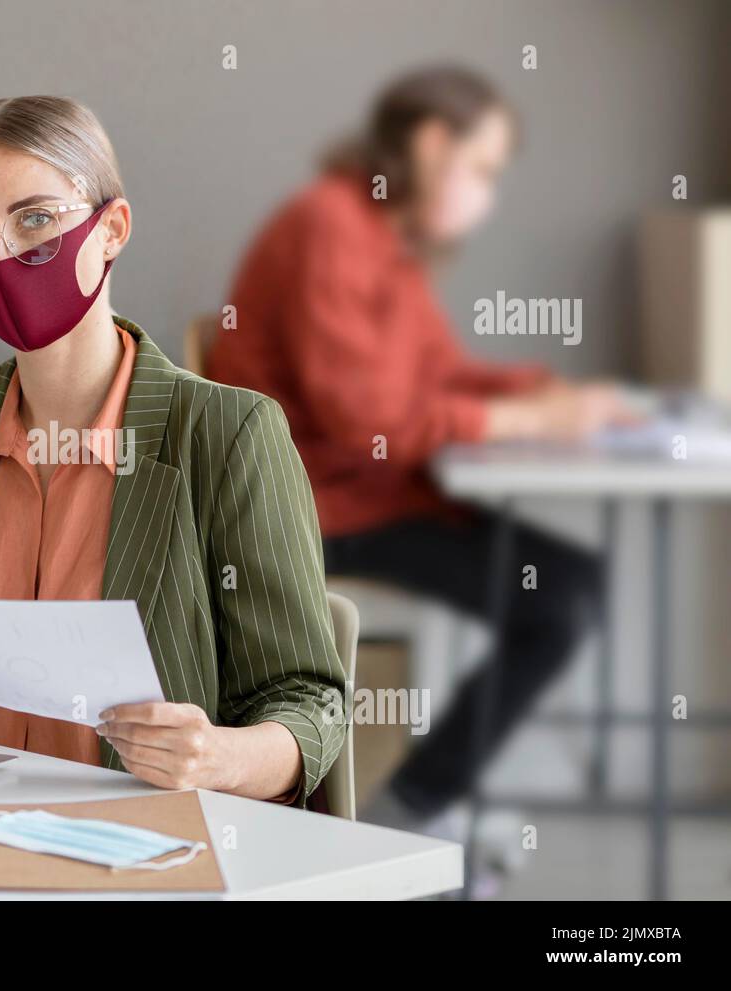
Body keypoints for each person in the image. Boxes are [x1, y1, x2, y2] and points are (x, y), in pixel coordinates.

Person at [0, 96, 346, 805]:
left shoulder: (226, 431)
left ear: (111, 228)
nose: (0, 257)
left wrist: (216, 754)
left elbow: (309, 701)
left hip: (138, 846)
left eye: (34, 219)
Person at [206, 66, 630, 829]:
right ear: (434, 144)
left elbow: (436, 373)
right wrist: (527, 422)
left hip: (378, 499)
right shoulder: (329, 227)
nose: (485, 195)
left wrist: (542, 393)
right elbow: (369, 420)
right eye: (483, 169)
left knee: (575, 584)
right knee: (561, 600)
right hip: (317, 517)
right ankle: (406, 817)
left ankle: (419, 806)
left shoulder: (382, 238)